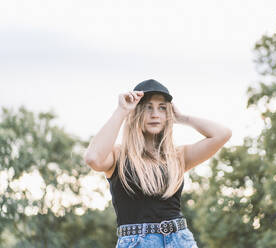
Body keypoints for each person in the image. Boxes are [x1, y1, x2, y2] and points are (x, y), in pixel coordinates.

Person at [84, 79, 232, 248]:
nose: (155, 114)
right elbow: (93, 158)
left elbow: (222, 134)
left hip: (180, 240)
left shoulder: (177, 157)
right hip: (137, 243)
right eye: (148, 107)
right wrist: (121, 111)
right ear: (136, 112)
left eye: (162, 107)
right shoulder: (118, 155)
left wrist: (183, 118)